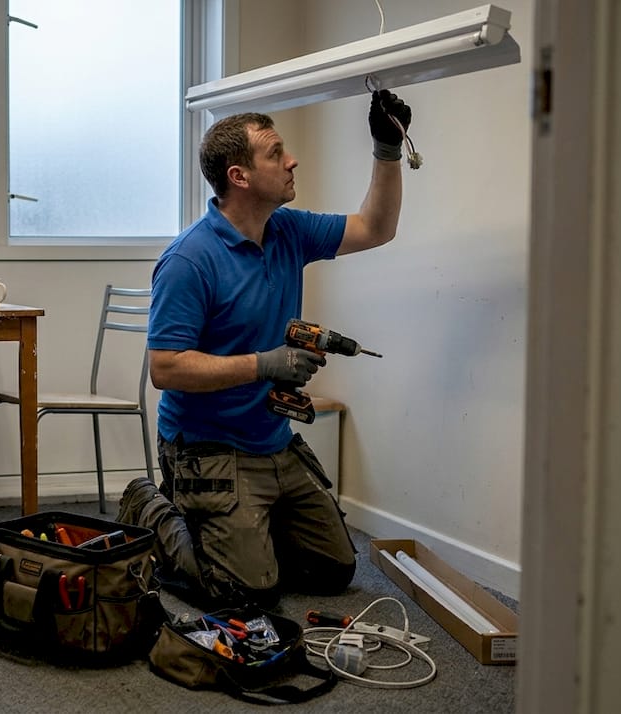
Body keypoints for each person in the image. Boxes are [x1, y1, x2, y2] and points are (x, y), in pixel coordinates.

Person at [117, 90, 412, 608]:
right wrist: (264, 365)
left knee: (333, 570)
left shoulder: (288, 231)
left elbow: (376, 228)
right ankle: (150, 508)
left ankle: (245, 530)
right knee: (244, 594)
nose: (291, 159)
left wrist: (386, 147)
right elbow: (165, 368)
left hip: (271, 439)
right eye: (275, 153)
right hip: (207, 447)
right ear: (240, 177)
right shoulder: (190, 260)